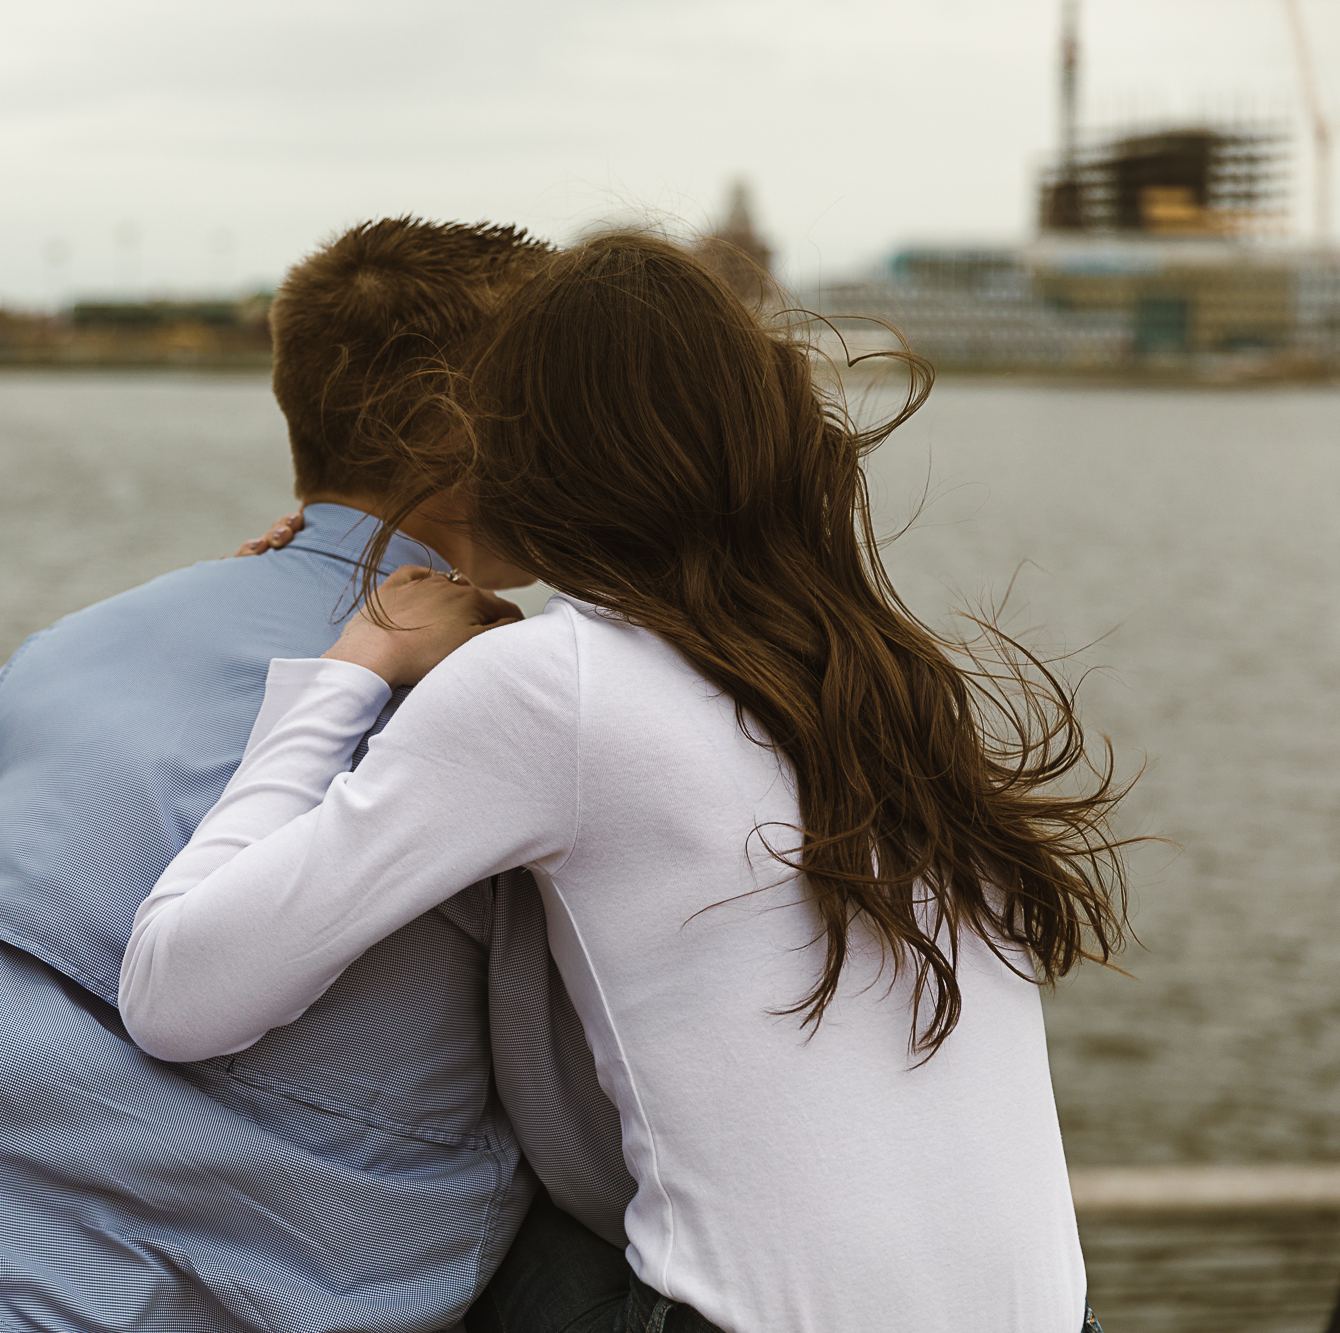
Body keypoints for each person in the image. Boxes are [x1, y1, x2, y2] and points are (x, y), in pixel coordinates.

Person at [120, 231, 1132, 1332]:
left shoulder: (552, 685)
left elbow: (178, 993)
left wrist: (350, 664)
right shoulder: (877, 671)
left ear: (522, 450)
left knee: (465, 1230)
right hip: (1055, 1316)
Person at [0, 218, 637, 1333]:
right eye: (566, 404)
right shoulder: (504, 716)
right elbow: (583, 1141)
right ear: (472, 431)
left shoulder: (57, 655)